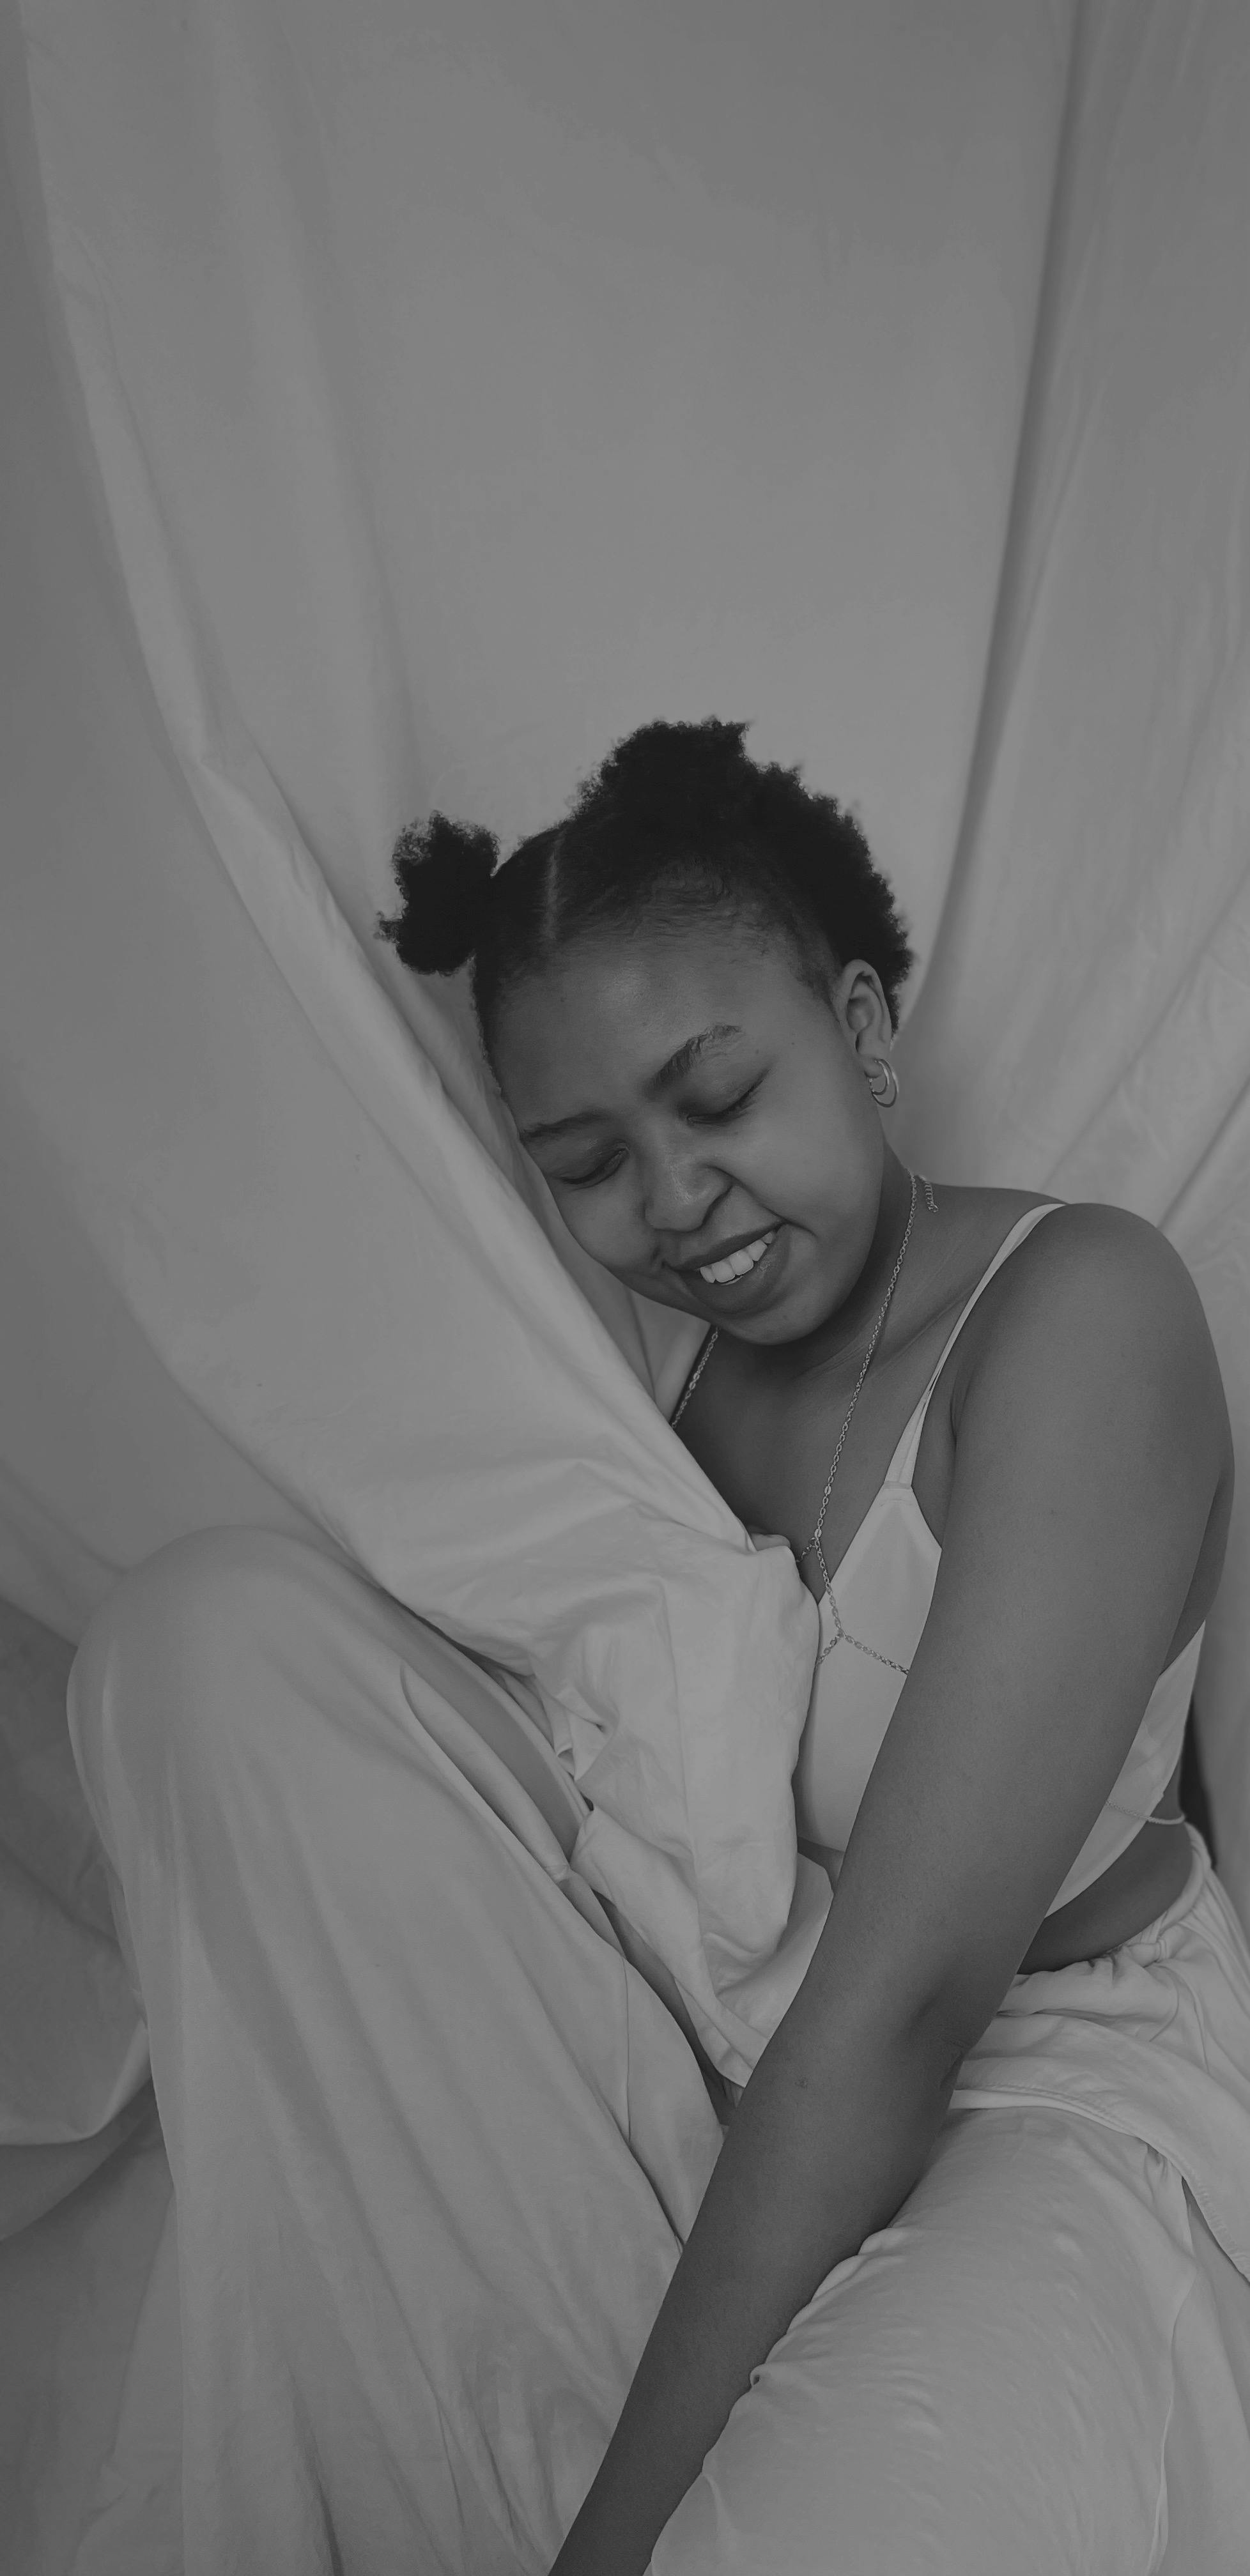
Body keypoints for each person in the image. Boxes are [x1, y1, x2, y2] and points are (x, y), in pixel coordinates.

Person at [71, 717, 1250, 2574]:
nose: (674, 1199)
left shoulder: (1080, 1315)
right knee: (210, 1644)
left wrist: (605, 2554)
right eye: (587, 1160)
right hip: (711, 2029)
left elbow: (907, 2002)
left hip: (1028, 2081)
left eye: (715, 1097)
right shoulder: (617, 1391)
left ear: (862, 1031)